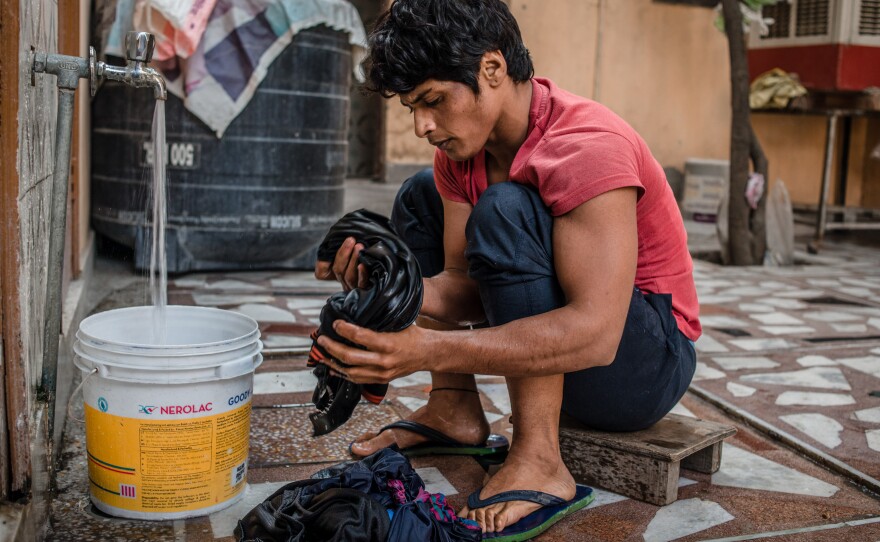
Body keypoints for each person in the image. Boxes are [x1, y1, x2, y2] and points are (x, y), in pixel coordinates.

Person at [314, 0, 700, 536]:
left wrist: (426, 348)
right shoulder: (458, 157)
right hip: (579, 342)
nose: (424, 125)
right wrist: (393, 286)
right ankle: (454, 409)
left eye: (433, 101)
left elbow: (597, 336)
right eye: (413, 108)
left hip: (644, 365)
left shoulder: (586, 147)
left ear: (491, 69)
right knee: (418, 196)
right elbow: (467, 287)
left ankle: (541, 460)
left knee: (505, 209)